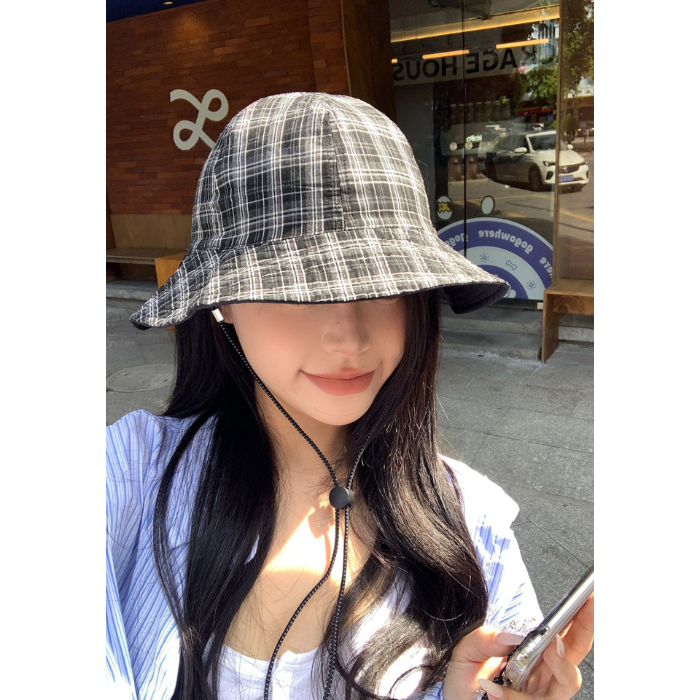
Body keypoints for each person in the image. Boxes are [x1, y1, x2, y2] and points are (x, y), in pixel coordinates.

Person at [107, 92, 593, 700]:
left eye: (386, 284)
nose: (349, 337)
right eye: (295, 286)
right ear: (220, 301)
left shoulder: (473, 523)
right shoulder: (127, 477)